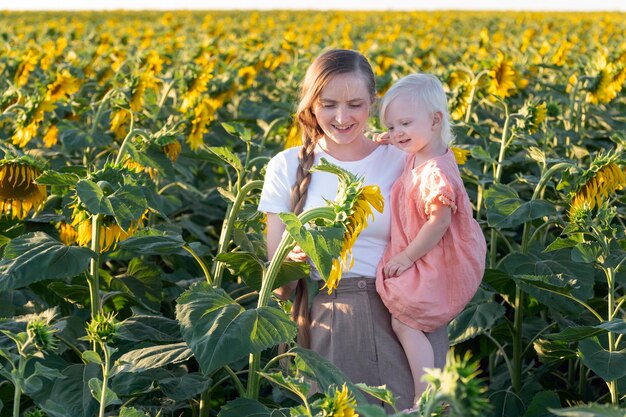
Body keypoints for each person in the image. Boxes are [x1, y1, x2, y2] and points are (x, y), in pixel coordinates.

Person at [258, 49, 448, 411]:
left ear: (373, 103)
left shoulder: (405, 158)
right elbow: (276, 282)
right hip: (332, 317)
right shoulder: (285, 167)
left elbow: (447, 220)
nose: (342, 117)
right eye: (328, 104)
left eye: (355, 104)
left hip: (408, 316)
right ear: (312, 105)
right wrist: (293, 259)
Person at [375, 73, 486, 409]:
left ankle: (426, 396)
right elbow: (399, 137)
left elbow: (439, 223)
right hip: (427, 254)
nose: (397, 134)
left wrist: (407, 257)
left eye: (404, 123)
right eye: (392, 126)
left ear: (436, 120)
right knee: (406, 319)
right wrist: (387, 137)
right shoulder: (423, 149)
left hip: (436, 258)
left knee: (405, 322)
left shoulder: (434, 173)